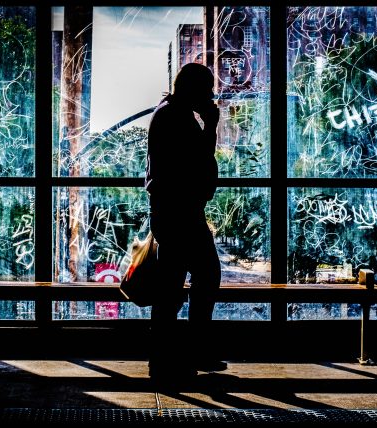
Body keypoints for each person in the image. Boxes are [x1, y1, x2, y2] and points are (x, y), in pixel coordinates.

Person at [145, 63, 224, 380]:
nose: (211, 96)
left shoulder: (169, 112)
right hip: (181, 213)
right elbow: (200, 160)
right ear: (194, 89)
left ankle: (169, 355)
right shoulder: (177, 117)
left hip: (174, 211)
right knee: (203, 275)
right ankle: (186, 351)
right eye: (207, 90)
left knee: (173, 282)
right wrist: (212, 126)